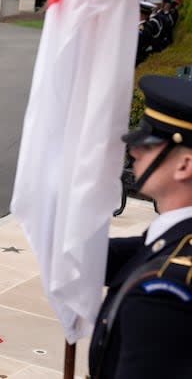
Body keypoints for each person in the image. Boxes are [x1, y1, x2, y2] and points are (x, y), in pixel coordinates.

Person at [88, 75, 192, 379]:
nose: (134, 152)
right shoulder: (175, 239)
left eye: (148, 145)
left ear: (185, 165)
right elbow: (131, 255)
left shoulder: (163, 292)